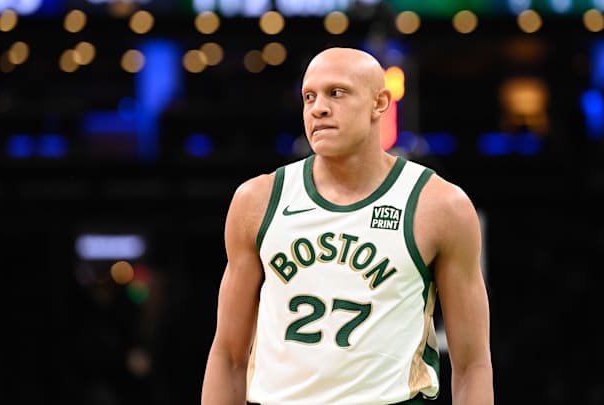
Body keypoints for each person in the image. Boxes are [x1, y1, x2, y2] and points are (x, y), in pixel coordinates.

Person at [201, 47, 493, 405]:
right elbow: (227, 355)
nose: (318, 108)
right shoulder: (258, 200)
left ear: (380, 103)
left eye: (336, 93)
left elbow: (472, 364)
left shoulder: (439, 205)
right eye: (309, 96)